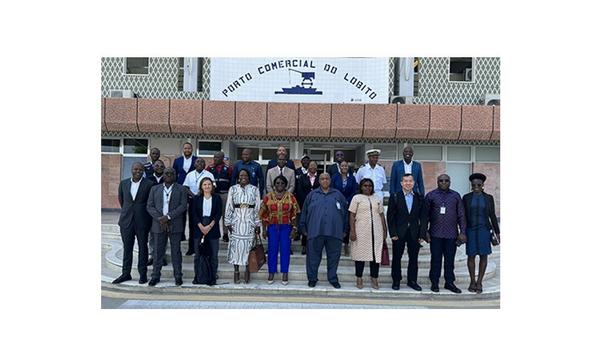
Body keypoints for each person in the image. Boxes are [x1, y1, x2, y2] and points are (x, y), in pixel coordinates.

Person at [299, 173, 348, 289]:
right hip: (315, 231)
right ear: (319, 181)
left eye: (327, 178)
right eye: (322, 179)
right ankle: (312, 278)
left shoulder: (338, 195)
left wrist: (345, 229)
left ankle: (332, 278)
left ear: (330, 180)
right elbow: (304, 212)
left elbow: (345, 213)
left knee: (334, 257)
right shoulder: (312, 195)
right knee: (313, 257)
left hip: (334, 232)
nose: (325, 180)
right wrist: (303, 228)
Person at [113, 162, 155, 284]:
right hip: (126, 221)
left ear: (143, 171)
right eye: (136, 169)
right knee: (127, 248)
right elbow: (122, 201)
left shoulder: (149, 184)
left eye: (141, 170)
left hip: (142, 221)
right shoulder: (124, 183)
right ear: (131, 169)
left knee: (143, 248)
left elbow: (149, 203)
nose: (138, 171)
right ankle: (126, 274)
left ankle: (143, 274)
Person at [146, 168, 189, 286]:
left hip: (175, 224)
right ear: (163, 175)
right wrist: (161, 219)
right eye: (167, 173)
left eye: (172, 173)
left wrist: (168, 217)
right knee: (157, 252)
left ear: (175, 175)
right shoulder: (155, 189)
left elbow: (183, 206)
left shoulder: (181, 189)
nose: (169, 175)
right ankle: (155, 276)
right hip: (158, 224)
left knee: (176, 252)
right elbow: (150, 206)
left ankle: (178, 276)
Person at [425, 174, 467, 293]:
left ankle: (449, 283)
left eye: (446, 181)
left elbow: (461, 216)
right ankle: (434, 282)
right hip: (435, 234)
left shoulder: (456, 196)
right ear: (437, 182)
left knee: (450, 260)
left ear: (450, 182)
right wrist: (425, 232)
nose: (444, 182)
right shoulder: (431, 196)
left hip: (451, 235)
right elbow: (425, 216)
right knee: (436, 259)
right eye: (441, 181)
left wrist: (463, 232)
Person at [387, 173, 428, 291]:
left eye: (410, 181)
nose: (408, 183)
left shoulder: (419, 197)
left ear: (414, 183)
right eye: (405, 181)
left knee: (414, 258)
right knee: (396, 258)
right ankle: (396, 280)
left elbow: (424, 217)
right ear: (401, 183)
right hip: (399, 233)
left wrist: (422, 234)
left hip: (414, 233)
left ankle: (412, 281)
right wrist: (393, 233)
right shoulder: (395, 196)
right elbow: (390, 217)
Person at [463, 173, 500, 294]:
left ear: (483, 185)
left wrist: (497, 232)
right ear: (471, 185)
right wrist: (462, 231)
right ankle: (472, 281)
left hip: (484, 230)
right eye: (474, 185)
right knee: (471, 256)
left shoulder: (489, 198)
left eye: (479, 184)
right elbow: (462, 217)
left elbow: (492, 216)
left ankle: (479, 282)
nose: (476, 186)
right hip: (471, 230)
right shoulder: (466, 197)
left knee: (484, 256)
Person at [259, 175, 300, 285]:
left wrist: (294, 229)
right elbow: (263, 214)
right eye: (277, 183)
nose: (280, 185)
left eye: (282, 183)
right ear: (274, 184)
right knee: (272, 250)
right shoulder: (268, 197)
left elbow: (295, 214)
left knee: (285, 250)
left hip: (286, 227)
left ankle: (285, 273)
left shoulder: (291, 197)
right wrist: (264, 229)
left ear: (286, 185)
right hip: (272, 227)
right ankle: (271, 272)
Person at [348, 178, 388, 289]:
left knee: (376, 256)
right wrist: (352, 231)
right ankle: (359, 278)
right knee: (360, 255)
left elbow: (381, 215)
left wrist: (385, 230)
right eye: (365, 185)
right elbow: (351, 215)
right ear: (361, 187)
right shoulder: (356, 198)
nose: (367, 187)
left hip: (376, 231)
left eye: (370, 185)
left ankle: (374, 278)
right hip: (361, 231)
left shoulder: (377, 198)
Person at [225, 169, 261, 284]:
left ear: (249, 177)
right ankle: (236, 271)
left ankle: (247, 271)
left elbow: (257, 208)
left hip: (249, 222)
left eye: (245, 175)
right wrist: (228, 222)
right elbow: (229, 205)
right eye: (241, 175)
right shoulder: (233, 189)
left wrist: (257, 223)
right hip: (236, 222)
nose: (243, 177)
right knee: (235, 247)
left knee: (248, 247)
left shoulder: (255, 189)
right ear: (238, 177)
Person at [192, 177, 223, 285]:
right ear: (201, 186)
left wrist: (209, 226)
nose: (207, 186)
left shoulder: (217, 198)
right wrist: (201, 226)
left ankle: (212, 277)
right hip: (199, 229)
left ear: (212, 186)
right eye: (204, 184)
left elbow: (218, 213)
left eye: (209, 184)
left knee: (213, 255)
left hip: (213, 228)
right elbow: (194, 214)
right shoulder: (197, 198)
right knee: (198, 255)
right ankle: (198, 277)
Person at [183, 157, 215, 256]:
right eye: (198, 162)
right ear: (194, 164)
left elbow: (213, 186)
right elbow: (185, 187)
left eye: (202, 162)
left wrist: (202, 194)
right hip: (193, 201)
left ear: (205, 164)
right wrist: (193, 195)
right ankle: (191, 248)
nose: (200, 163)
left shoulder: (209, 174)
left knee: (205, 223)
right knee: (193, 225)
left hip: (206, 200)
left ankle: (205, 246)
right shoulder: (190, 175)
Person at [331, 159, 358, 256]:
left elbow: (354, 191)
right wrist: (339, 200)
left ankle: (346, 244)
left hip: (348, 204)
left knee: (347, 224)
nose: (344, 167)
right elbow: (332, 189)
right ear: (339, 167)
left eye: (346, 166)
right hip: (337, 203)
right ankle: (336, 244)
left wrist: (347, 200)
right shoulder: (334, 177)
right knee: (337, 223)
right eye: (342, 166)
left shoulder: (352, 178)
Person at [206, 151, 233, 242]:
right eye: (214, 157)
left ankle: (225, 234)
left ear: (222, 158)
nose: (215, 159)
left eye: (217, 157)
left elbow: (231, 181)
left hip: (225, 194)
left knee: (225, 214)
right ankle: (213, 232)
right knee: (213, 214)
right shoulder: (210, 168)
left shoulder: (228, 168)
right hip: (213, 195)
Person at [295, 160, 320, 255]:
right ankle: (304, 246)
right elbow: (299, 190)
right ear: (308, 167)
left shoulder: (320, 177)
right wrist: (307, 201)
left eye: (314, 166)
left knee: (316, 225)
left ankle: (315, 246)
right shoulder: (302, 177)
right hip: (305, 204)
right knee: (305, 225)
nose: (312, 167)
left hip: (318, 205)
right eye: (311, 166)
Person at [146, 159, 168, 266]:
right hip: (152, 213)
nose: (159, 167)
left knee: (163, 235)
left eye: (161, 166)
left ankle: (161, 256)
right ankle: (152, 255)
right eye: (157, 165)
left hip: (164, 212)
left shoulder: (167, 178)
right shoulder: (148, 179)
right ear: (153, 167)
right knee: (152, 235)